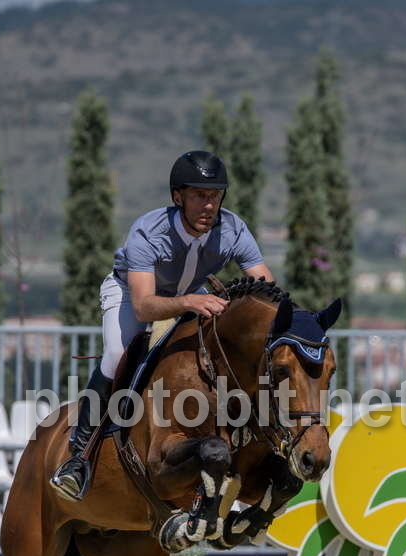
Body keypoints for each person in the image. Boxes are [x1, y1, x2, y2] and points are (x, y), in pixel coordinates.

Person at [50, 149, 274, 501]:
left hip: (191, 295)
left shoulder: (233, 230)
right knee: (117, 355)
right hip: (131, 294)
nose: (209, 205)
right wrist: (189, 302)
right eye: (199, 195)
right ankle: (78, 457)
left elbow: (267, 291)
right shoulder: (149, 231)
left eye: (215, 196)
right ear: (178, 197)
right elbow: (144, 307)